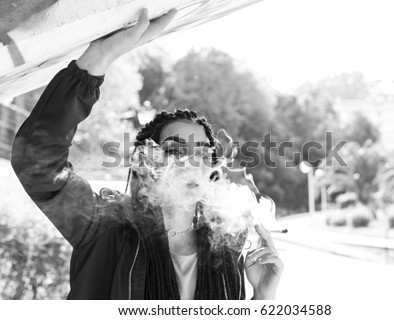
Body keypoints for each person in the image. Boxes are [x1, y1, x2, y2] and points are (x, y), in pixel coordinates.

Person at [11, 8, 283, 300]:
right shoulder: (106, 227)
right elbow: (36, 160)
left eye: (203, 154)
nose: (192, 162)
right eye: (176, 150)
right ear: (147, 160)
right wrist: (98, 58)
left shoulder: (225, 248)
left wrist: (262, 299)